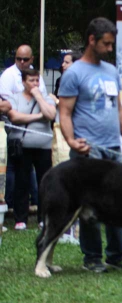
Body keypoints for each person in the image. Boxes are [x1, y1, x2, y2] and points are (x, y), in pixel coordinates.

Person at [58, 17, 122, 273]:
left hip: (113, 149)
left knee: (119, 202)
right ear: (92, 40)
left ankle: (117, 256)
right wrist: (71, 141)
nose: (110, 49)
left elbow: (119, 110)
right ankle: (92, 258)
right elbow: (65, 113)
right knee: (88, 205)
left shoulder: (111, 71)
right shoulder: (74, 74)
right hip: (87, 150)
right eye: (106, 44)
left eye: (112, 44)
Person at [0, 45, 48, 214]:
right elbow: (9, 107)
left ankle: (36, 205)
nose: (21, 62)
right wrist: (36, 114)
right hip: (15, 131)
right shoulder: (8, 75)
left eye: (25, 59)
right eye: (18, 58)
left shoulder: (36, 75)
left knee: (38, 172)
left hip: (39, 134)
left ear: (32, 59)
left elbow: (45, 102)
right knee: (16, 171)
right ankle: (13, 207)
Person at [7, 69, 55, 230]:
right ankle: (21, 219)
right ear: (23, 82)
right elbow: (15, 117)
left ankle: (43, 218)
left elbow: (50, 114)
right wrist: (38, 116)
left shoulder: (46, 98)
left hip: (44, 147)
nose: (35, 84)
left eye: (37, 81)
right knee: (22, 182)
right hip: (22, 147)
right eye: (31, 81)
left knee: (45, 182)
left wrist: (39, 96)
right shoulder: (15, 97)